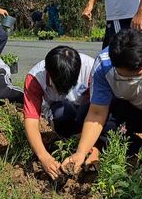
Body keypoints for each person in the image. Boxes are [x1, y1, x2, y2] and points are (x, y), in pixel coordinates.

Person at [61, 29, 142, 176]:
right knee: (85, 113)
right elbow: (97, 113)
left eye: (136, 76)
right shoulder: (104, 64)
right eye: (124, 77)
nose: (130, 81)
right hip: (128, 113)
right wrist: (80, 153)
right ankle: (138, 146)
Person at [23, 46, 96, 180]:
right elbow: (31, 120)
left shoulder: (92, 70)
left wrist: (91, 147)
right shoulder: (35, 78)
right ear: (48, 73)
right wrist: (44, 156)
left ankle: (88, 145)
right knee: (62, 112)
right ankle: (69, 139)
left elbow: (99, 112)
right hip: (61, 109)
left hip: (87, 110)